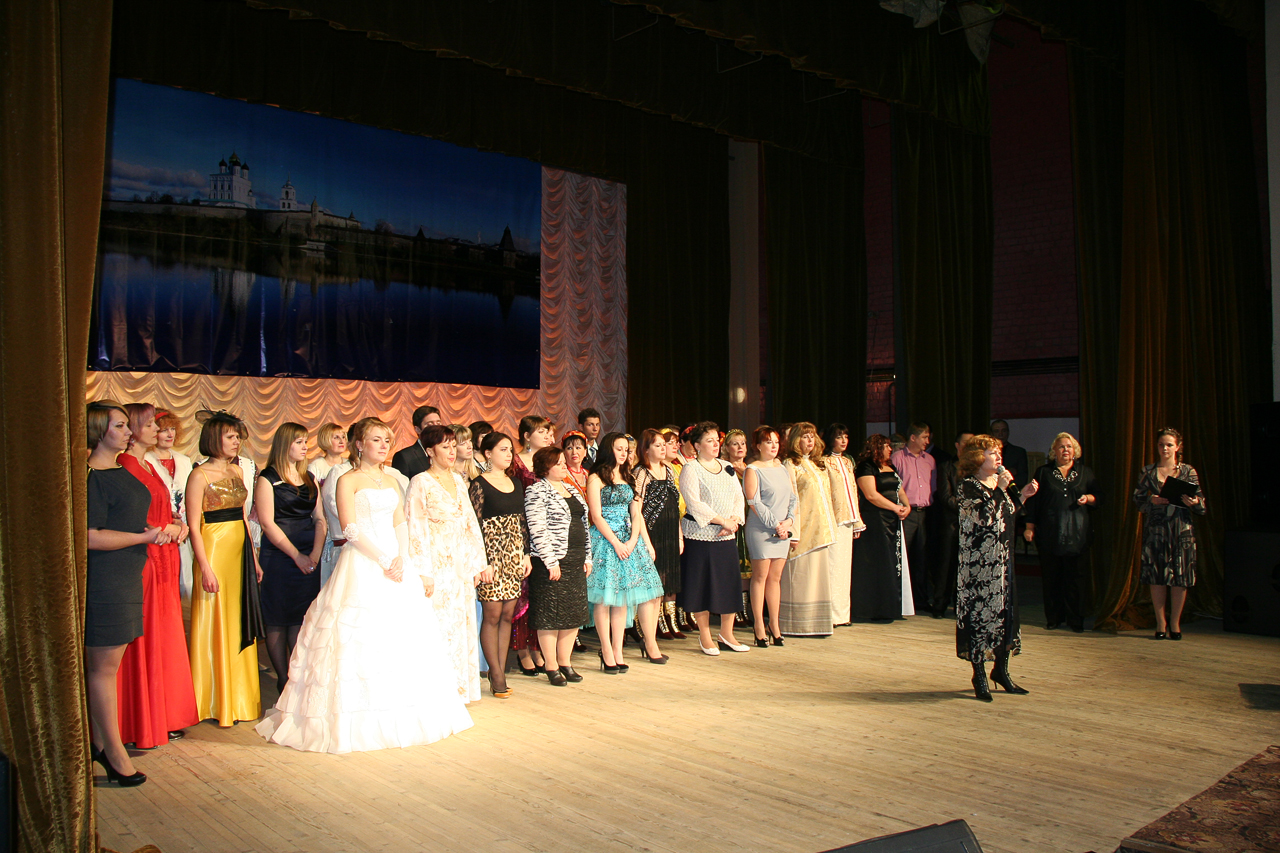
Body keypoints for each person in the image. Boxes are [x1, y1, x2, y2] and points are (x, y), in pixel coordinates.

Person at [256, 417, 473, 753]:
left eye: (387, 440)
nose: (383, 446)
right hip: (362, 562)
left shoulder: (392, 480)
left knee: (403, 637)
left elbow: (400, 522)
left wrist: (401, 557)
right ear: (359, 444)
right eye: (376, 440)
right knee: (355, 637)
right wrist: (384, 559)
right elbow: (350, 529)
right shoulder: (347, 479)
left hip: (396, 564)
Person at [86, 401, 161, 786]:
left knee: (107, 670)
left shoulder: (118, 471)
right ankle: (114, 756)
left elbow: (126, 520)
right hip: (105, 581)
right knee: (102, 671)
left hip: (126, 575)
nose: (128, 431)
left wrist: (155, 529)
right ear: (98, 430)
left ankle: (99, 744)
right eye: (119, 425)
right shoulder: (91, 477)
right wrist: (143, 537)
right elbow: (90, 536)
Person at [117, 403, 197, 751]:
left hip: (165, 555)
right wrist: (163, 527)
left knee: (164, 635)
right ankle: (141, 721)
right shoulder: (126, 465)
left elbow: (160, 507)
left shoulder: (147, 464)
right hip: (147, 557)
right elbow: (130, 518)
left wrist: (176, 523)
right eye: (148, 424)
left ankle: (162, 715)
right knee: (147, 637)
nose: (156, 429)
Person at [185, 410, 263, 726]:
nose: (236, 442)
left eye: (237, 437)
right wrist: (205, 567)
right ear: (214, 439)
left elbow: (243, 517)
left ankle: (239, 698)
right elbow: (193, 525)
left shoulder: (238, 471)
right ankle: (211, 700)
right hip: (213, 550)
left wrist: (253, 558)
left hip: (239, 552)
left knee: (236, 619)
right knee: (215, 618)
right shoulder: (198, 476)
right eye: (230, 437)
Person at [405, 424, 486, 702]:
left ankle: (458, 690)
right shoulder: (420, 482)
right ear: (430, 451)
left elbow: (470, 523)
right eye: (445, 447)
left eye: (454, 446)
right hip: (436, 564)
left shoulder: (459, 481)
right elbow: (414, 527)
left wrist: (477, 563)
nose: (452, 452)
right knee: (440, 626)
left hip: (460, 565)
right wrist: (422, 571)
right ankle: (436, 693)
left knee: (461, 626)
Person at [956, 435, 1039, 702]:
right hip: (978, 566)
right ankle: (979, 674)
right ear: (977, 457)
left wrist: (1023, 495)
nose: (998, 457)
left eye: (998, 452)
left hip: (1002, 561)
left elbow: (1006, 514)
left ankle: (1001, 670)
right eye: (992, 453)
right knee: (980, 616)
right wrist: (1001, 490)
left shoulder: (997, 484)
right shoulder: (968, 486)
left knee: (1005, 615)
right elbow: (984, 517)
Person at [254, 423, 326, 693]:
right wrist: (297, 556)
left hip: (309, 556)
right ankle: (282, 680)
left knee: (301, 618)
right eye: (299, 442)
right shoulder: (268, 478)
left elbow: (320, 519)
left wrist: (314, 555)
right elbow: (267, 523)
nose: (305, 447)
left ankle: (296, 680)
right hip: (280, 557)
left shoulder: (308, 477)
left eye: (305, 441)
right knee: (278, 619)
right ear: (285, 444)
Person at [587, 432, 665, 669]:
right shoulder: (596, 477)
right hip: (606, 540)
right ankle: (606, 650)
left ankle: (618, 651)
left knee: (622, 598)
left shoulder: (628, 476)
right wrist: (616, 542)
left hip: (629, 541)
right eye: (618, 449)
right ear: (608, 450)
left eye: (626, 449)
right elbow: (596, 516)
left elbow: (636, 514)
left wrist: (633, 541)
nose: (624, 453)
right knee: (605, 599)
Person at [468, 432, 531, 697]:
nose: (508, 454)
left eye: (510, 450)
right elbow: (473, 526)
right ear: (487, 453)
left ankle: (501, 670)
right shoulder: (478, 484)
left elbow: (522, 521)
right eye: (502, 449)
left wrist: (526, 554)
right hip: (491, 556)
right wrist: (482, 562)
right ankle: (495, 674)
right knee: (492, 615)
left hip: (514, 554)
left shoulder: (515, 482)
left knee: (508, 615)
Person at [678, 422, 749, 655]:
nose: (715, 444)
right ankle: (705, 636)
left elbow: (738, 496)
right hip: (700, 537)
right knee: (702, 586)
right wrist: (722, 521)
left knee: (728, 584)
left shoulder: (727, 466)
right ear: (697, 446)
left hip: (726, 536)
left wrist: (734, 520)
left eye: (716, 440)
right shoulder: (691, 469)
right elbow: (694, 503)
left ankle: (727, 634)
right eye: (709, 441)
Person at [525, 446, 592, 685]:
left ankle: (565, 662)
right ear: (545, 467)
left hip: (575, 559)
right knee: (550, 615)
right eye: (559, 463)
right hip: (552, 561)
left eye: (564, 462)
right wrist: (550, 561)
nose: (564, 465)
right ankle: (551, 665)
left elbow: (584, 525)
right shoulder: (536, 491)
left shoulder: (571, 489)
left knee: (573, 613)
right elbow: (537, 529)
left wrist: (587, 557)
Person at [1133, 428, 1206, 640]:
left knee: (1180, 577)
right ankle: (1160, 623)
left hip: (1181, 530)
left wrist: (1193, 502)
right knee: (1157, 576)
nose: (1164, 449)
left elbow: (1202, 505)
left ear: (1178, 447)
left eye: (1169, 445)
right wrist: (1152, 500)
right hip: (1156, 531)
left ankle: (1175, 623)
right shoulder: (1148, 471)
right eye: (1161, 445)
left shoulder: (1188, 471)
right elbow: (1137, 500)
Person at [1024, 432, 1099, 633]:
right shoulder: (1043, 472)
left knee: (1076, 580)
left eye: (1069, 446)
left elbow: (1099, 496)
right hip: (1050, 534)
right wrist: (1029, 527)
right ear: (1054, 451)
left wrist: (1089, 498)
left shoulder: (1085, 472)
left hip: (1078, 535)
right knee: (1052, 579)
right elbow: (1033, 501)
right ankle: (1054, 618)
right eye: (1061, 447)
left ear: (1075, 451)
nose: (1065, 450)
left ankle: (1076, 620)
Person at [779, 423, 837, 637]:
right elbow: (791, 499)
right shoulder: (790, 464)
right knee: (801, 576)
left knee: (818, 577)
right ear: (796, 440)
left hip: (820, 529)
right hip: (803, 529)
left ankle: (817, 624)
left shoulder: (816, 464)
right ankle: (796, 624)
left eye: (812, 436)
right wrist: (793, 532)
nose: (810, 441)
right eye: (805, 437)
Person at [743, 425, 797, 646]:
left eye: (776, 441)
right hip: (761, 530)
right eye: (768, 442)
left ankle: (774, 624)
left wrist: (788, 522)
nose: (774, 446)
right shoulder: (753, 469)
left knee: (775, 579)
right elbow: (754, 501)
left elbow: (793, 498)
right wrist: (775, 525)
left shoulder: (782, 468)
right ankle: (758, 626)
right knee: (760, 577)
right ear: (758, 445)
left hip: (782, 529)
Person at [510, 415, 555, 674]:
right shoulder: (515, 463)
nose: (547, 436)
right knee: (524, 594)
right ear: (527, 436)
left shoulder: (550, 462)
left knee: (542, 593)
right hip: (524, 530)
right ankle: (522, 650)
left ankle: (538, 647)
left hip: (547, 533)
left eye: (548, 431)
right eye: (541, 431)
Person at [851, 434, 909, 622]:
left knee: (892, 562)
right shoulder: (866, 467)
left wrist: (906, 506)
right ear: (876, 448)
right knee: (878, 562)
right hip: (876, 519)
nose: (890, 449)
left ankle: (891, 606)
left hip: (893, 520)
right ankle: (874, 608)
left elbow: (899, 489)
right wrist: (895, 508)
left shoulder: (890, 467)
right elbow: (871, 495)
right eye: (886, 446)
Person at [635, 429, 684, 640]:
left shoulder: (669, 470)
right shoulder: (641, 472)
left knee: (667, 580)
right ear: (646, 449)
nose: (663, 448)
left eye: (664, 444)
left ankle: (665, 621)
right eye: (658, 445)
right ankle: (645, 627)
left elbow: (674, 505)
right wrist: (646, 541)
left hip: (670, 533)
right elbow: (636, 511)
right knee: (651, 583)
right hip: (652, 534)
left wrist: (679, 535)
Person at [146, 409, 194, 598]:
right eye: (164, 430)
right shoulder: (144, 460)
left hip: (182, 530)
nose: (170, 434)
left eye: (172, 429)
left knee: (184, 583)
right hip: (158, 530)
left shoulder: (184, 461)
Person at [822, 423, 866, 627]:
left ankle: (843, 615)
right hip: (833, 519)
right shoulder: (824, 462)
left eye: (846, 437)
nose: (843, 441)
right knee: (832, 566)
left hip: (848, 519)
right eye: (839, 437)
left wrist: (857, 520)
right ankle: (830, 615)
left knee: (844, 568)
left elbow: (853, 492)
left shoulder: (848, 462)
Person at [891, 422, 936, 609]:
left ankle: (921, 599)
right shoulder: (898, 458)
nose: (927, 441)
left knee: (922, 557)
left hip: (924, 513)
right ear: (913, 438)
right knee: (903, 555)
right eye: (924, 437)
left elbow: (933, 487)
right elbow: (893, 486)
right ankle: (899, 599)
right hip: (905, 513)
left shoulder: (929, 460)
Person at [931, 432, 973, 619]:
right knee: (946, 567)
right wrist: (969, 507)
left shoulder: (977, 468)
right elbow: (945, 496)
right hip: (951, 524)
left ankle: (962, 605)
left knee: (967, 568)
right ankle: (940, 604)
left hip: (972, 525)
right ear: (957, 445)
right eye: (966, 443)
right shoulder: (947, 466)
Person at [391, 405, 441, 480]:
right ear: (417, 429)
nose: (436, 428)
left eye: (438, 423)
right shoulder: (404, 456)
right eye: (430, 425)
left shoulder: (446, 453)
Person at [989, 419, 1029, 490]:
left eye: (1004, 431)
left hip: (1012, 491)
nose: (1000, 434)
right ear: (991, 433)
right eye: (997, 431)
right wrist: (1009, 472)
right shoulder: (986, 453)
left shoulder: (1019, 452)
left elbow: (1022, 480)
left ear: (1008, 432)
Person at [306, 422, 348, 487]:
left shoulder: (350, 465)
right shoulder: (315, 467)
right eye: (336, 437)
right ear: (325, 440)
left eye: (343, 437)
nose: (341, 441)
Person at [561, 430, 591, 501]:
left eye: (578, 448)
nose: (574, 452)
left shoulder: (589, 474)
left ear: (585, 452)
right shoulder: (561, 475)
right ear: (564, 452)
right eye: (569, 448)